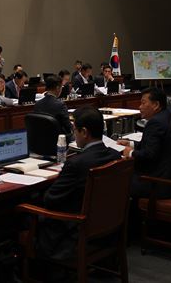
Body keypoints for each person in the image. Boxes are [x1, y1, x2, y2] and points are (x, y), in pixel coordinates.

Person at [37, 106, 121, 261]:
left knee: (24, 209)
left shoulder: (76, 164)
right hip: (108, 227)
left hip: (75, 229)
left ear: (84, 132)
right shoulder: (115, 155)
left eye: (74, 130)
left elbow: (50, 199)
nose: (73, 134)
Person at [119, 87, 171, 198]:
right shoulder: (167, 116)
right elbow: (156, 145)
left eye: (143, 103)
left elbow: (149, 155)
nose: (140, 107)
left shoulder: (155, 122)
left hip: (160, 182)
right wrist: (130, 144)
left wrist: (130, 153)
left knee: (116, 181)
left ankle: (132, 214)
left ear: (156, 105)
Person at [33, 75, 74, 141]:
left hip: (41, 140)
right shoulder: (60, 105)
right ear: (58, 88)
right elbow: (68, 127)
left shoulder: (37, 104)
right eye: (61, 87)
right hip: (58, 141)